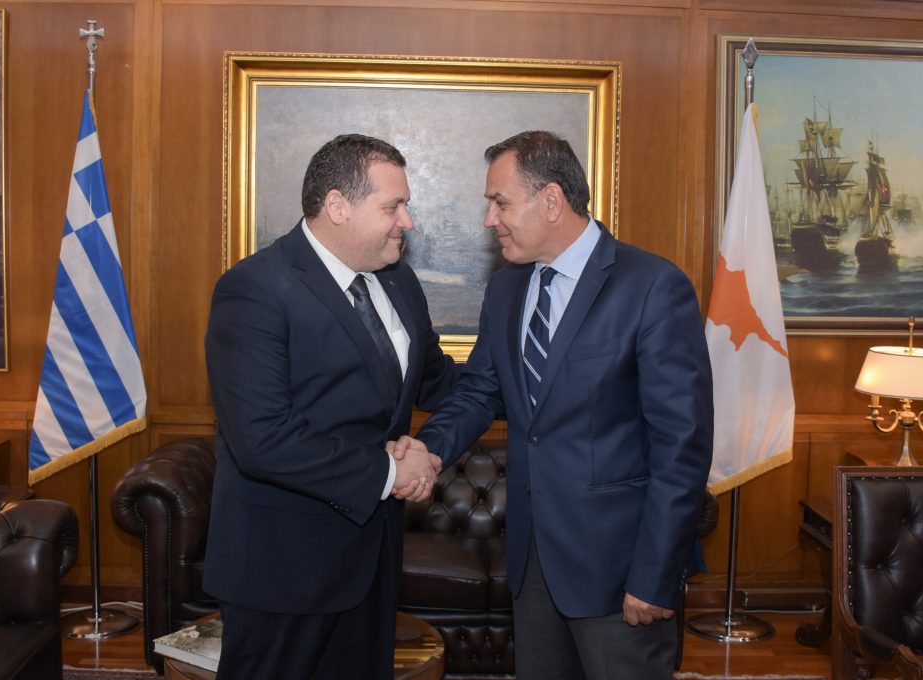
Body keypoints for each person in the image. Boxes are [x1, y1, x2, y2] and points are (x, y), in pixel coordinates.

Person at [393, 131, 713, 679]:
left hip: (620, 568)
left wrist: (656, 573)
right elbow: (479, 391)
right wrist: (427, 449)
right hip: (533, 563)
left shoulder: (652, 286)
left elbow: (682, 447)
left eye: (500, 202)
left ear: (551, 200)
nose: (489, 220)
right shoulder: (506, 290)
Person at [203, 133, 457, 680]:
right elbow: (263, 439)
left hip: (372, 558)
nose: (407, 221)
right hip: (281, 569)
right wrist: (390, 472)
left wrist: (535, 388)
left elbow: (436, 382)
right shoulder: (254, 289)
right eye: (393, 206)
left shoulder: (399, 281)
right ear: (338, 205)